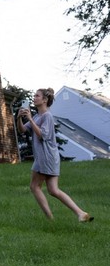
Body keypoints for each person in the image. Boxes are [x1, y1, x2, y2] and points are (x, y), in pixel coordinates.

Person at [17, 87, 92, 222]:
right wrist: (19, 119)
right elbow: (23, 130)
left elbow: (42, 135)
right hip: (48, 157)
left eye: (37, 96)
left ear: (45, 100)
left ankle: (50, 219)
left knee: (34, 187)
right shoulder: (37, 116)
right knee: (53, 190)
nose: (34, 98)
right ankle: (81, 213)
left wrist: (30, 119)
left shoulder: (47, 116)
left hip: (45, 157)